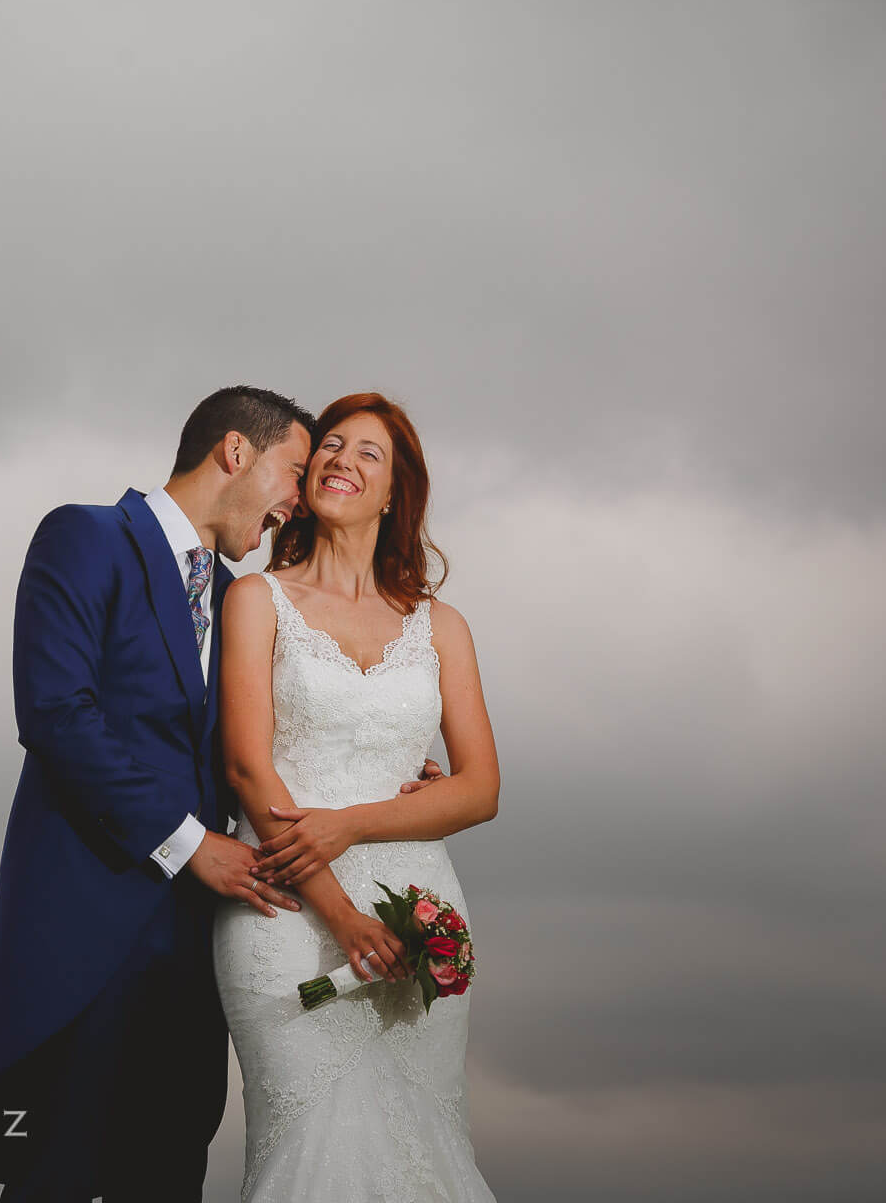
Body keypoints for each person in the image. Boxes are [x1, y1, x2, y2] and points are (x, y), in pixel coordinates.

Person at [0, 386, 442, 1201]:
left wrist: (392, 778)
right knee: (59, 1178)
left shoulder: (243, 599)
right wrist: (189, 843)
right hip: (87, 931)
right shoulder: (86, 536)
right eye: (297, 469)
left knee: (168, 1172)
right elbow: (56, 713)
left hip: (199, 953)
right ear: (234, 452)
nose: (298, 501)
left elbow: (265, 747)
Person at [213, 392, 501, 1200]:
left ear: (394, 492)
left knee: (426, 1144)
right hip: (286, 916)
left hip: (419, 908)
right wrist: (339, 914)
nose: (342, 460)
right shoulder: (256, 601)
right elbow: (247, 770)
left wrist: (351, 826)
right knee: (310, 1147)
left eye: (368, 453)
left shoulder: (441, 627)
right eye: (330, 447)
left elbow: (480, 790)